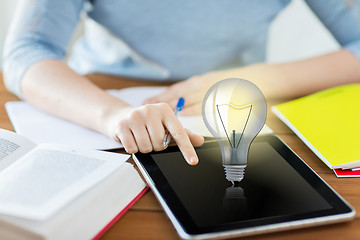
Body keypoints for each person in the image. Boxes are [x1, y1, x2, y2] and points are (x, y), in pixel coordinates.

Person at [3, 0, 360, 165]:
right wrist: (114, 116)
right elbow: (25, 51)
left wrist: (256, 79)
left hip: (232, 114)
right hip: (95, 99)